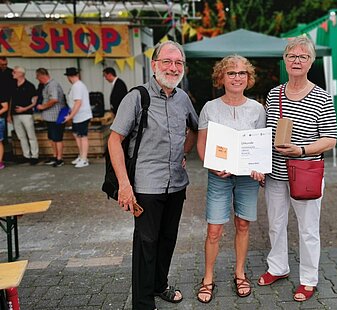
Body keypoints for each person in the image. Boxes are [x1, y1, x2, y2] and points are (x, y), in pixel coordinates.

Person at [108, 40, 198, 310]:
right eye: (168, 62)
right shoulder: (136, 97)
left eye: (178, 63)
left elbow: (195, 128)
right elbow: (114, 141)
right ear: (154, 64)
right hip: (146, 186)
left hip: (176, 184)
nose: (173, 67)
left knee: (168, 240)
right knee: (146, 244)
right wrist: (125, 185)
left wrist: (185, 151)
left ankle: (160, 285)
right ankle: (143, 303)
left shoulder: (183, 98)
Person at [258, 36, 337, 302]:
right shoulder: (274, 93)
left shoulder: (322, 97)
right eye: (292, 56)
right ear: (284, 59)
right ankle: (278, 267)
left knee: (308, 230)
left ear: (311, 62)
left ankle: (308, 279)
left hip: (305, 174)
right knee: (276, 225)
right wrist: (259, 163)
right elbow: (267, 133)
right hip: (276, 174)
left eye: (303, 56)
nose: (297, 60)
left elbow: (330, 138)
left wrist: (301, 150)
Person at [196, 55, 266, 303]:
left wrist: (259, 168)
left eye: (242, 73)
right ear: (221, 77)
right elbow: (202, 145)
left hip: (247, 178)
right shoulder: (210, 108)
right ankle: (208, 278)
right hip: (219, 177)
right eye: (231, 73)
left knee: (243, 225)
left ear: (248, 78)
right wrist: (213, 167)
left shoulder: (258, 109)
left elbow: (260, 148)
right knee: (214, 229)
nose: (237, 77)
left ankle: (239, 273)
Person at [7, 66, 39, 165]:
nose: (13, 73)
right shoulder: (13, 85)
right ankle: (26, 155)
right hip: (15, 114)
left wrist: (25, 108)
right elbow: (10, 100)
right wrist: (9, 114)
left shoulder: (30, 86)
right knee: (21, 136)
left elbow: (34, 101)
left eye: (15, 72)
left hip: (26, 114)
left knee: (31, 135)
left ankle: (34, 156)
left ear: (21, 73)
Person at [35, 68, 66, 167]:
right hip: (49, 117)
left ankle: (59, 158)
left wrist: (42, 106)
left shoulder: (52, 85)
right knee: (52, 138)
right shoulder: (46, 85)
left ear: (41, 76)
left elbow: (54, 99)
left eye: (37, 77)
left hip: (55, 116)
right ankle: (55, 155)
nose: (37, 79)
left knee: (57, 138)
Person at [64, 67, 93, 168]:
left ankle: (84, 159)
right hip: (77, 115)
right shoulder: (76, 85)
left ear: (69, 77)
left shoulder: (77, 86)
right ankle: (81, 156)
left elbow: (78, 102)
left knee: (83, 136)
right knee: (77, 135)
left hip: (82, 115)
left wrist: (70, 116)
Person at [0, 57, 15, 170]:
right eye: (2, 64)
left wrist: (9, 112)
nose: (4, 66)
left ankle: (8, 153)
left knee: (3, 133)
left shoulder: (10, 73)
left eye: (5, 64)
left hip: (7, 100)